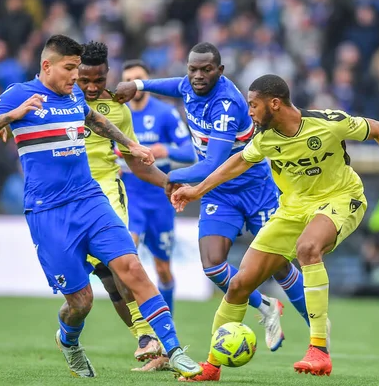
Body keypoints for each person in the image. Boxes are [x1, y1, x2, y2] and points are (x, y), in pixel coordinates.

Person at [171, 74, 379, 379]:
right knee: (239, 284)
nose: (250, 112)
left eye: (254, 105)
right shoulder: (264, 139)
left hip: (340, 198)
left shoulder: (328, 123)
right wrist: (197, 189)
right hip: (293, 208)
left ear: (274, 103)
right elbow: (238, 163)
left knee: (308, 248)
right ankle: (212, 365)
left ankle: (319, 350)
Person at [0, 34, 201, 379]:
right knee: (81, 302)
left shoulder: (73, 92)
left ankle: (174, 349)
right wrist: (11, 116)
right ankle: (69, 341)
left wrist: (130, 145)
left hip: (90, 199)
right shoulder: (19, 94)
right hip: (48, 212)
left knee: (131, 268)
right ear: (47, 66)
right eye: (69, 68)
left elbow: (93, 119)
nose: (75, 77)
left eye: (78, 69)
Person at [114, 43, 310, 367]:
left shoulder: (228, 104)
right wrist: (138, 85)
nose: (198, 76)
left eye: (206, 70)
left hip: (254, 188)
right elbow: (172, 84)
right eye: (193, 69)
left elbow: (213, 164)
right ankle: (265, 307)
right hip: (219, 193)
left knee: (279, 264)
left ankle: (318, 335)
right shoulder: (188, 85)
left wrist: (170, 177)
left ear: (220, 71)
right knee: (213, 266)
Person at [77, 41, 169, 366]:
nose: (91, 86)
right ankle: (153, 344)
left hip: (104, 188)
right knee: (106, 278)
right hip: (67, 197)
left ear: (107, 74)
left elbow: (136, 161)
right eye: (84, 79)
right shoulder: (57, 101)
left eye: (98, 80)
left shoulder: (118, 110)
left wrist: (168, 182)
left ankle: (150, 337)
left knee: (122, 260)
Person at [119, 59, 197, 371]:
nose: (133, 85)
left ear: (146, 82)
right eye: (128, 80)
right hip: (130, 197)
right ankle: (145, 336)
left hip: (161, 197)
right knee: (128, 258)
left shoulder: (164, 114)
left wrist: (164, 150)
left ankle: (166, 339)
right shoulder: (117, 114)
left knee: (163, 270)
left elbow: (189, 151)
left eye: (138, 79)